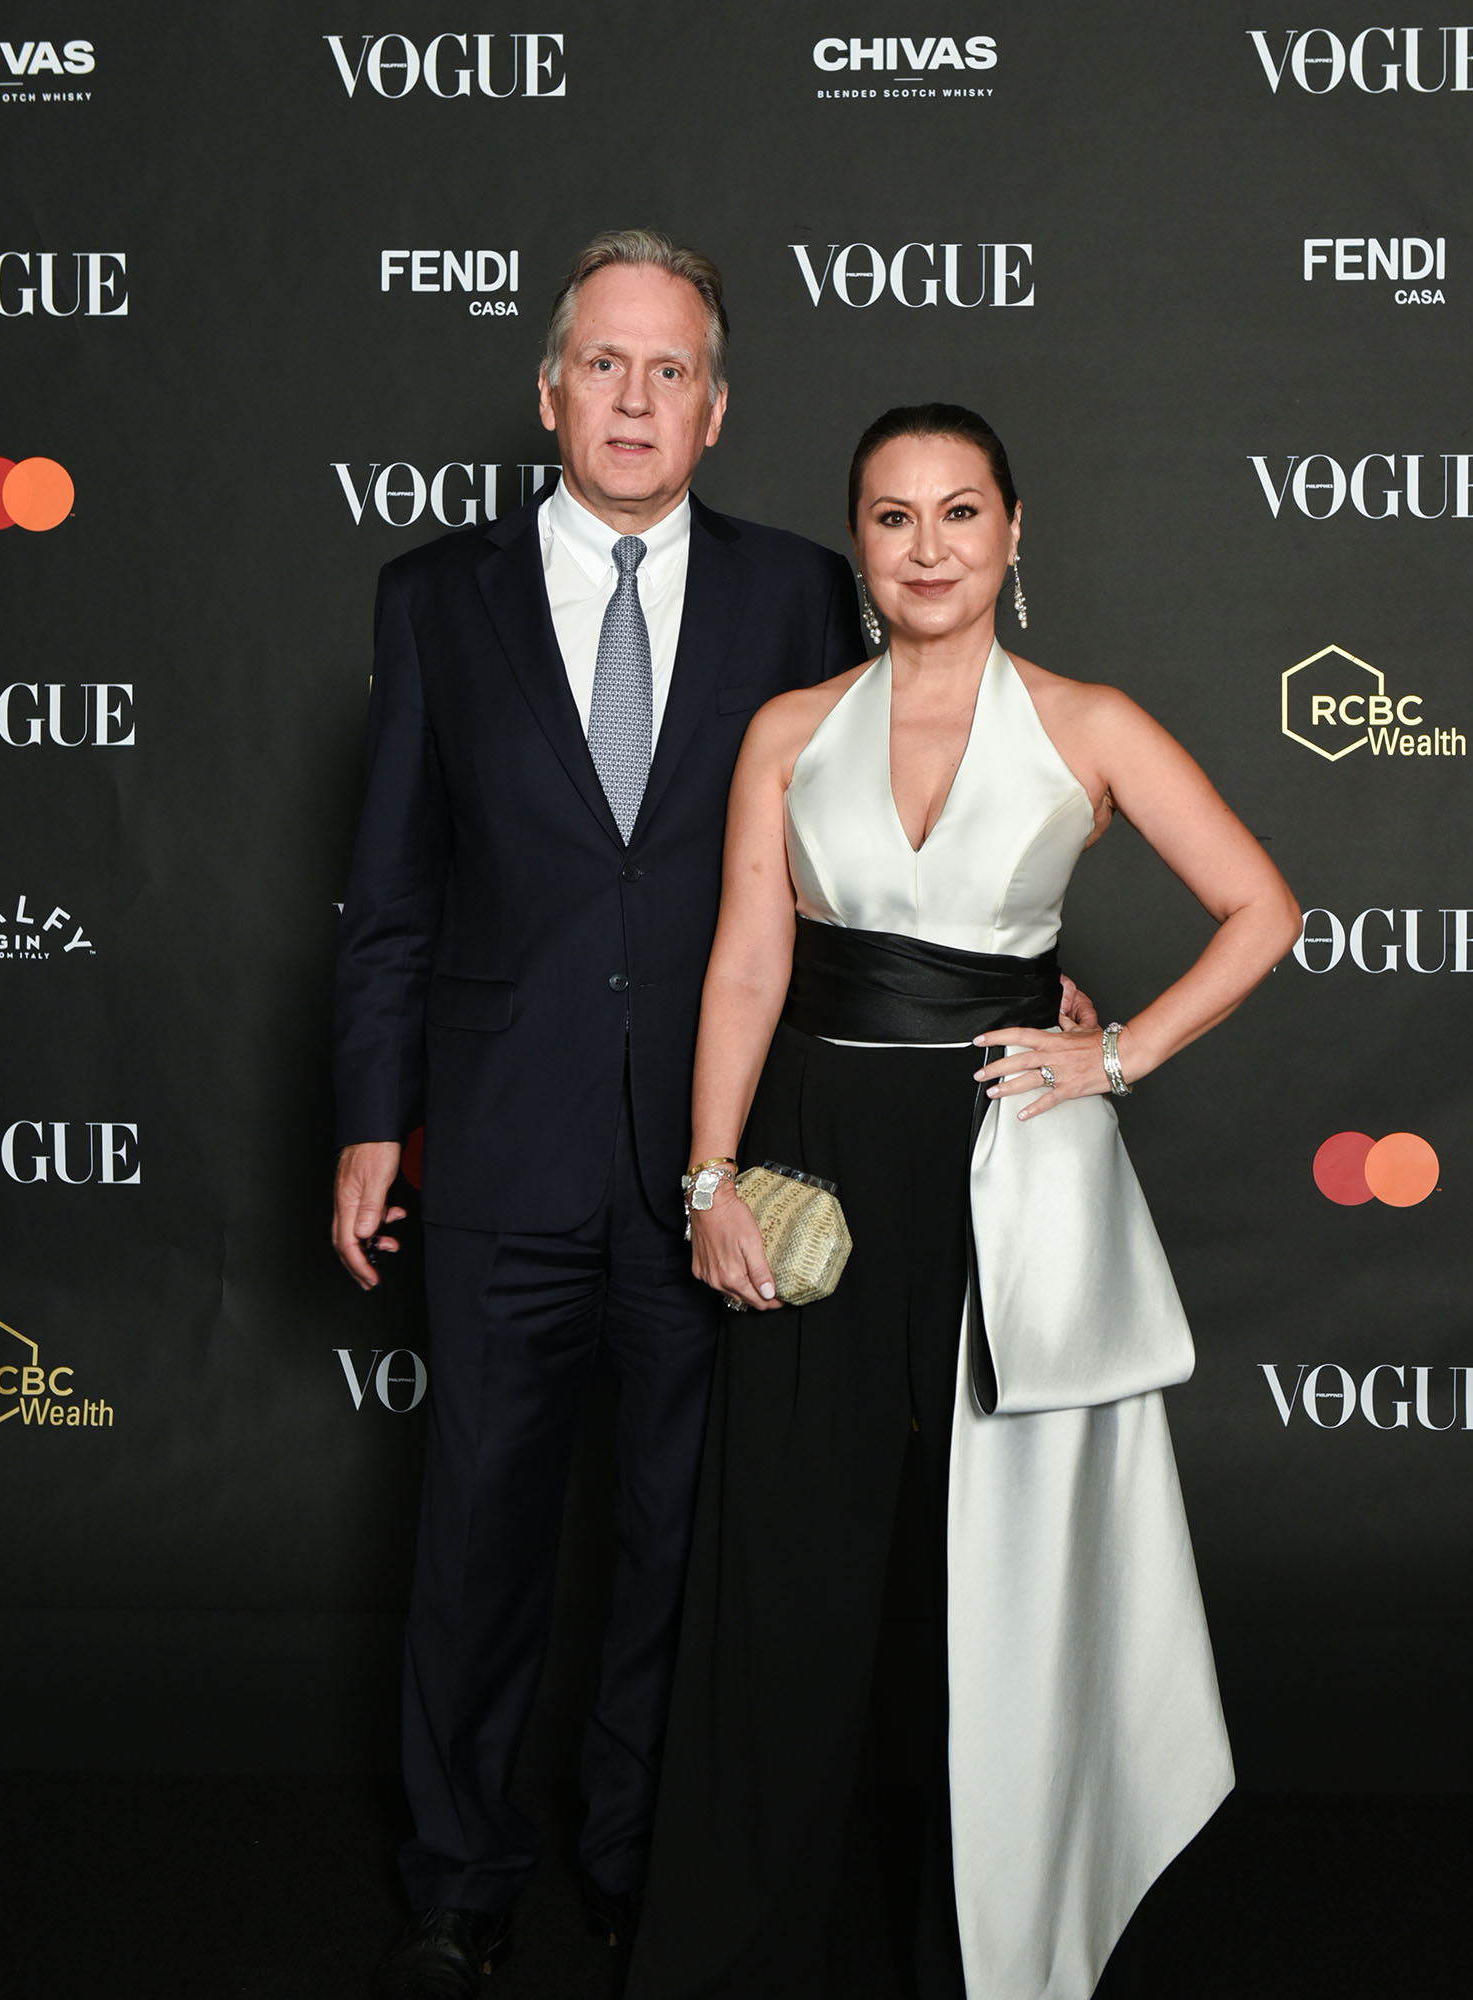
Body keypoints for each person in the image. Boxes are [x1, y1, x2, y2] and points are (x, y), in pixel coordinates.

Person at [627, 405, 1302, 2000]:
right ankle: (741, 1951)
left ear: (1014, 531)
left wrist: (1114, 1055)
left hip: (1009, 1177)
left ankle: (999, 1944)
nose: (926, 547)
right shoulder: (788, 729)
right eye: (890, 516)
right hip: (816, 1160)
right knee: (783, 1573)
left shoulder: (1091, 722)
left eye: (958, 513)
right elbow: (745, 962)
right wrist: (712, 1178)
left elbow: (1263, 908)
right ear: (856, 542)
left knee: (1000, 1579)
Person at [328, 230, 869, 2000]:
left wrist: (1032, 994)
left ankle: (644, 1862)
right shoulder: (438, 594)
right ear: (549, 389)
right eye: (606, 366)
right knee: (479, 1531)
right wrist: (369, 1121)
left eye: (673, 372)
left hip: (712, 1163)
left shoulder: (803, 595)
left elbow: (866, 866)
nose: (636, 399)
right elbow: (395, 891)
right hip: (495, 1148)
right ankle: (458, 1879)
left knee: (672, 1541)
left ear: (717, 410)